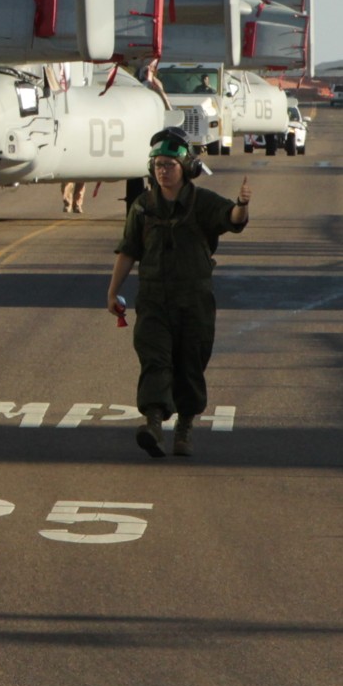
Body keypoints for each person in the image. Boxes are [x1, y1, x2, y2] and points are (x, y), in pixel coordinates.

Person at [105, 129, 249, 458]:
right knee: (154, 359)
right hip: (154, 298)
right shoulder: (143, 206)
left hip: (194, 299)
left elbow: (233, 220)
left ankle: (185, 425)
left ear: (185, 166)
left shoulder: (202, 202)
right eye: (157, 164)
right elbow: (128, 250)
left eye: (169, 164)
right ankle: (153, 424)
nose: (162, 170)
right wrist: (113, 292)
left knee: (190, 363)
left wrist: (241, 205)